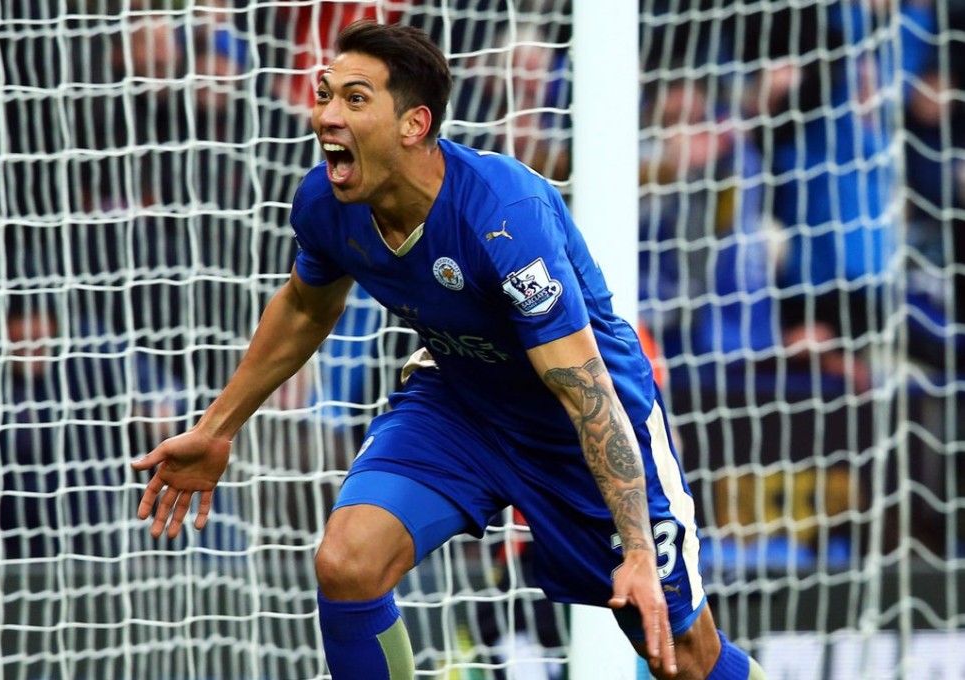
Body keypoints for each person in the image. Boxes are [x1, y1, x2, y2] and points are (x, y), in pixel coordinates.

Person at [131, 20, 766, 680]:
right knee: (348, 562)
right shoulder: (325, 201)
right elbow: (303, 306)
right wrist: (215, 430)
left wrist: (636, 547)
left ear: (414, 124)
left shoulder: (501, 214)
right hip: (458, 399)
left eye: (354, 98)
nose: (324, 115)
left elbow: (586, 391)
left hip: (573, 424)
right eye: (323, 94)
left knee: (683, 659)